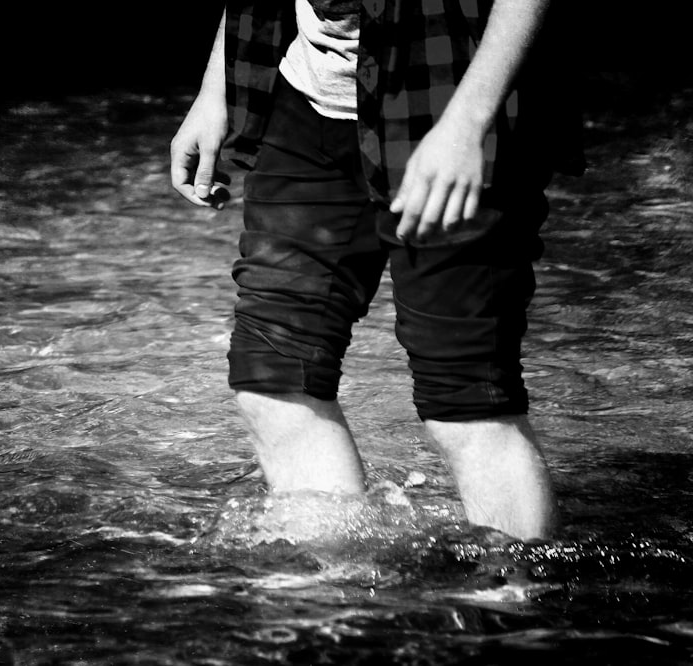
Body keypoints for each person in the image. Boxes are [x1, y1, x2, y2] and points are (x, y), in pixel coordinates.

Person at [170, 0, 584, 540]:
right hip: (307, 104)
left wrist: (468, 123)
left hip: (446, 97)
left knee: (466, 404)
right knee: (273, 381)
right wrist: (216, 86)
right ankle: (333, 598)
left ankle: (516, 609)